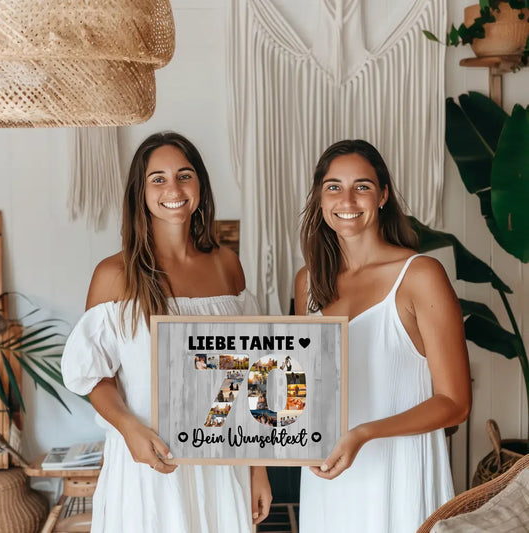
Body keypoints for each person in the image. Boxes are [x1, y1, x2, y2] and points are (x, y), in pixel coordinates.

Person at [61, 132, 271, 533]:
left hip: (223, 461)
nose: (173, 189)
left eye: (184, 175)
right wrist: (129, 428)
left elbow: (250, 371)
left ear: (200, 185)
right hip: (149, 462)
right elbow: (94, 376)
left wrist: (258, 469)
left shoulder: (227, 264)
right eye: (157, 179)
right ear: (140, 193)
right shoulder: (114, 274)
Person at [295, 140, 471, 533]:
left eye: (362, 186)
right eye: (334, 187)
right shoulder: (307, 282)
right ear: (320, 197)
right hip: (327, 476)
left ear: (383, 195)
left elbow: (455, 403)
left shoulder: (420, 275)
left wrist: (364, 434)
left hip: (399, 475)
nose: (347, 199)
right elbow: (305, 390)